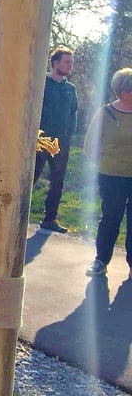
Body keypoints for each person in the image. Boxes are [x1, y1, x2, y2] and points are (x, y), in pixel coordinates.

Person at [84, 68, 132, 277]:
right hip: (111, 176)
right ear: (122, 92)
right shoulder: (106, 114)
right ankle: (101, 260)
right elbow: (90, 145)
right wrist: (104, 163)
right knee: (111, 217)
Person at [34, 46, 79, 233]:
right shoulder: (42, 83)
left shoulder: (70, 89)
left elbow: (73, 113)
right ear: (55, 63)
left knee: (58, 180)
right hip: (41, 138)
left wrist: (69, 133)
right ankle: (17, 213)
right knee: (31, 176)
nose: (70, 66)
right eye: (67, 62)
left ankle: (50, 219)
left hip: (61, 141)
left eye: (71, 62)